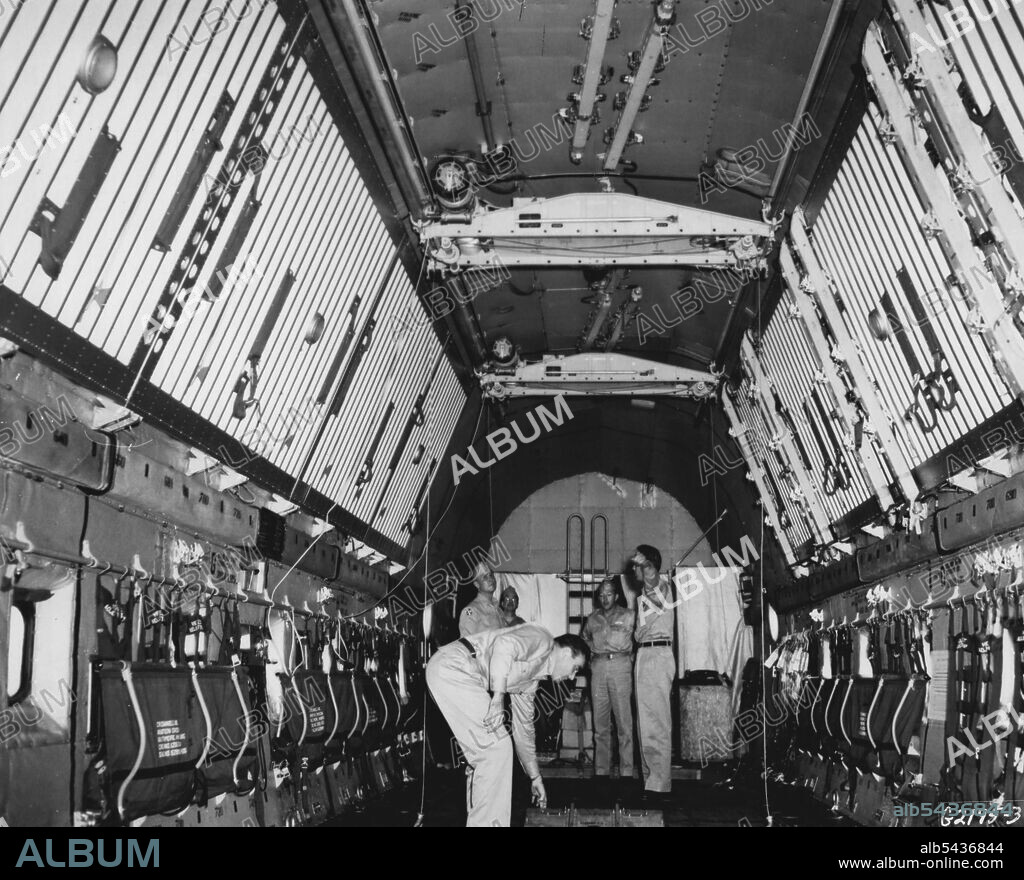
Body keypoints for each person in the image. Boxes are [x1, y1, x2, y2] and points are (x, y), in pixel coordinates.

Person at [426, 624, 590, 826]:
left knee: (487, 750)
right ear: (565, 652)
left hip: (458, 674)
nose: (572, 677)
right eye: (575, 668)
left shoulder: (531, 681)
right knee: (497, 748)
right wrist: (498, 697)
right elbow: (504, 644)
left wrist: (535, 776)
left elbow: (524, 730)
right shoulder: (542, 639)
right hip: (454, 667)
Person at [630, 544, 676, 798]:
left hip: (657, 655)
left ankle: (659, 785)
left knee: (656, 721)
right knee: (644, 723)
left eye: (638, 564)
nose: (633, 568)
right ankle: (650, 781)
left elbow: (650, 577)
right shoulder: (646, 594)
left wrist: (645, 562)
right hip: (645, 655)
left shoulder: (659, 586)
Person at [582, 578, 635, 780]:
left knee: (624, 723)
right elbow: (585, 639)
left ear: (617, 596)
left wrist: (631, 657)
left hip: (621, 667)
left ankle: (627, 772)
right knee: (600, 724)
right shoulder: (592, 619)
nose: (605, 598)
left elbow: (638, 640)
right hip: (598, 668)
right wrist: (591, 658)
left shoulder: (629, 616)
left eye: (609, 594)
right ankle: (602, 772)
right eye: (602, 595)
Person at [459, 559, 503, 636]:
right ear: (477, 584)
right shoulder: (472, 611)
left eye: (491, 575)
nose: (490, 579)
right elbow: (467, 644)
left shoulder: (497, 608)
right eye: (485, 577)